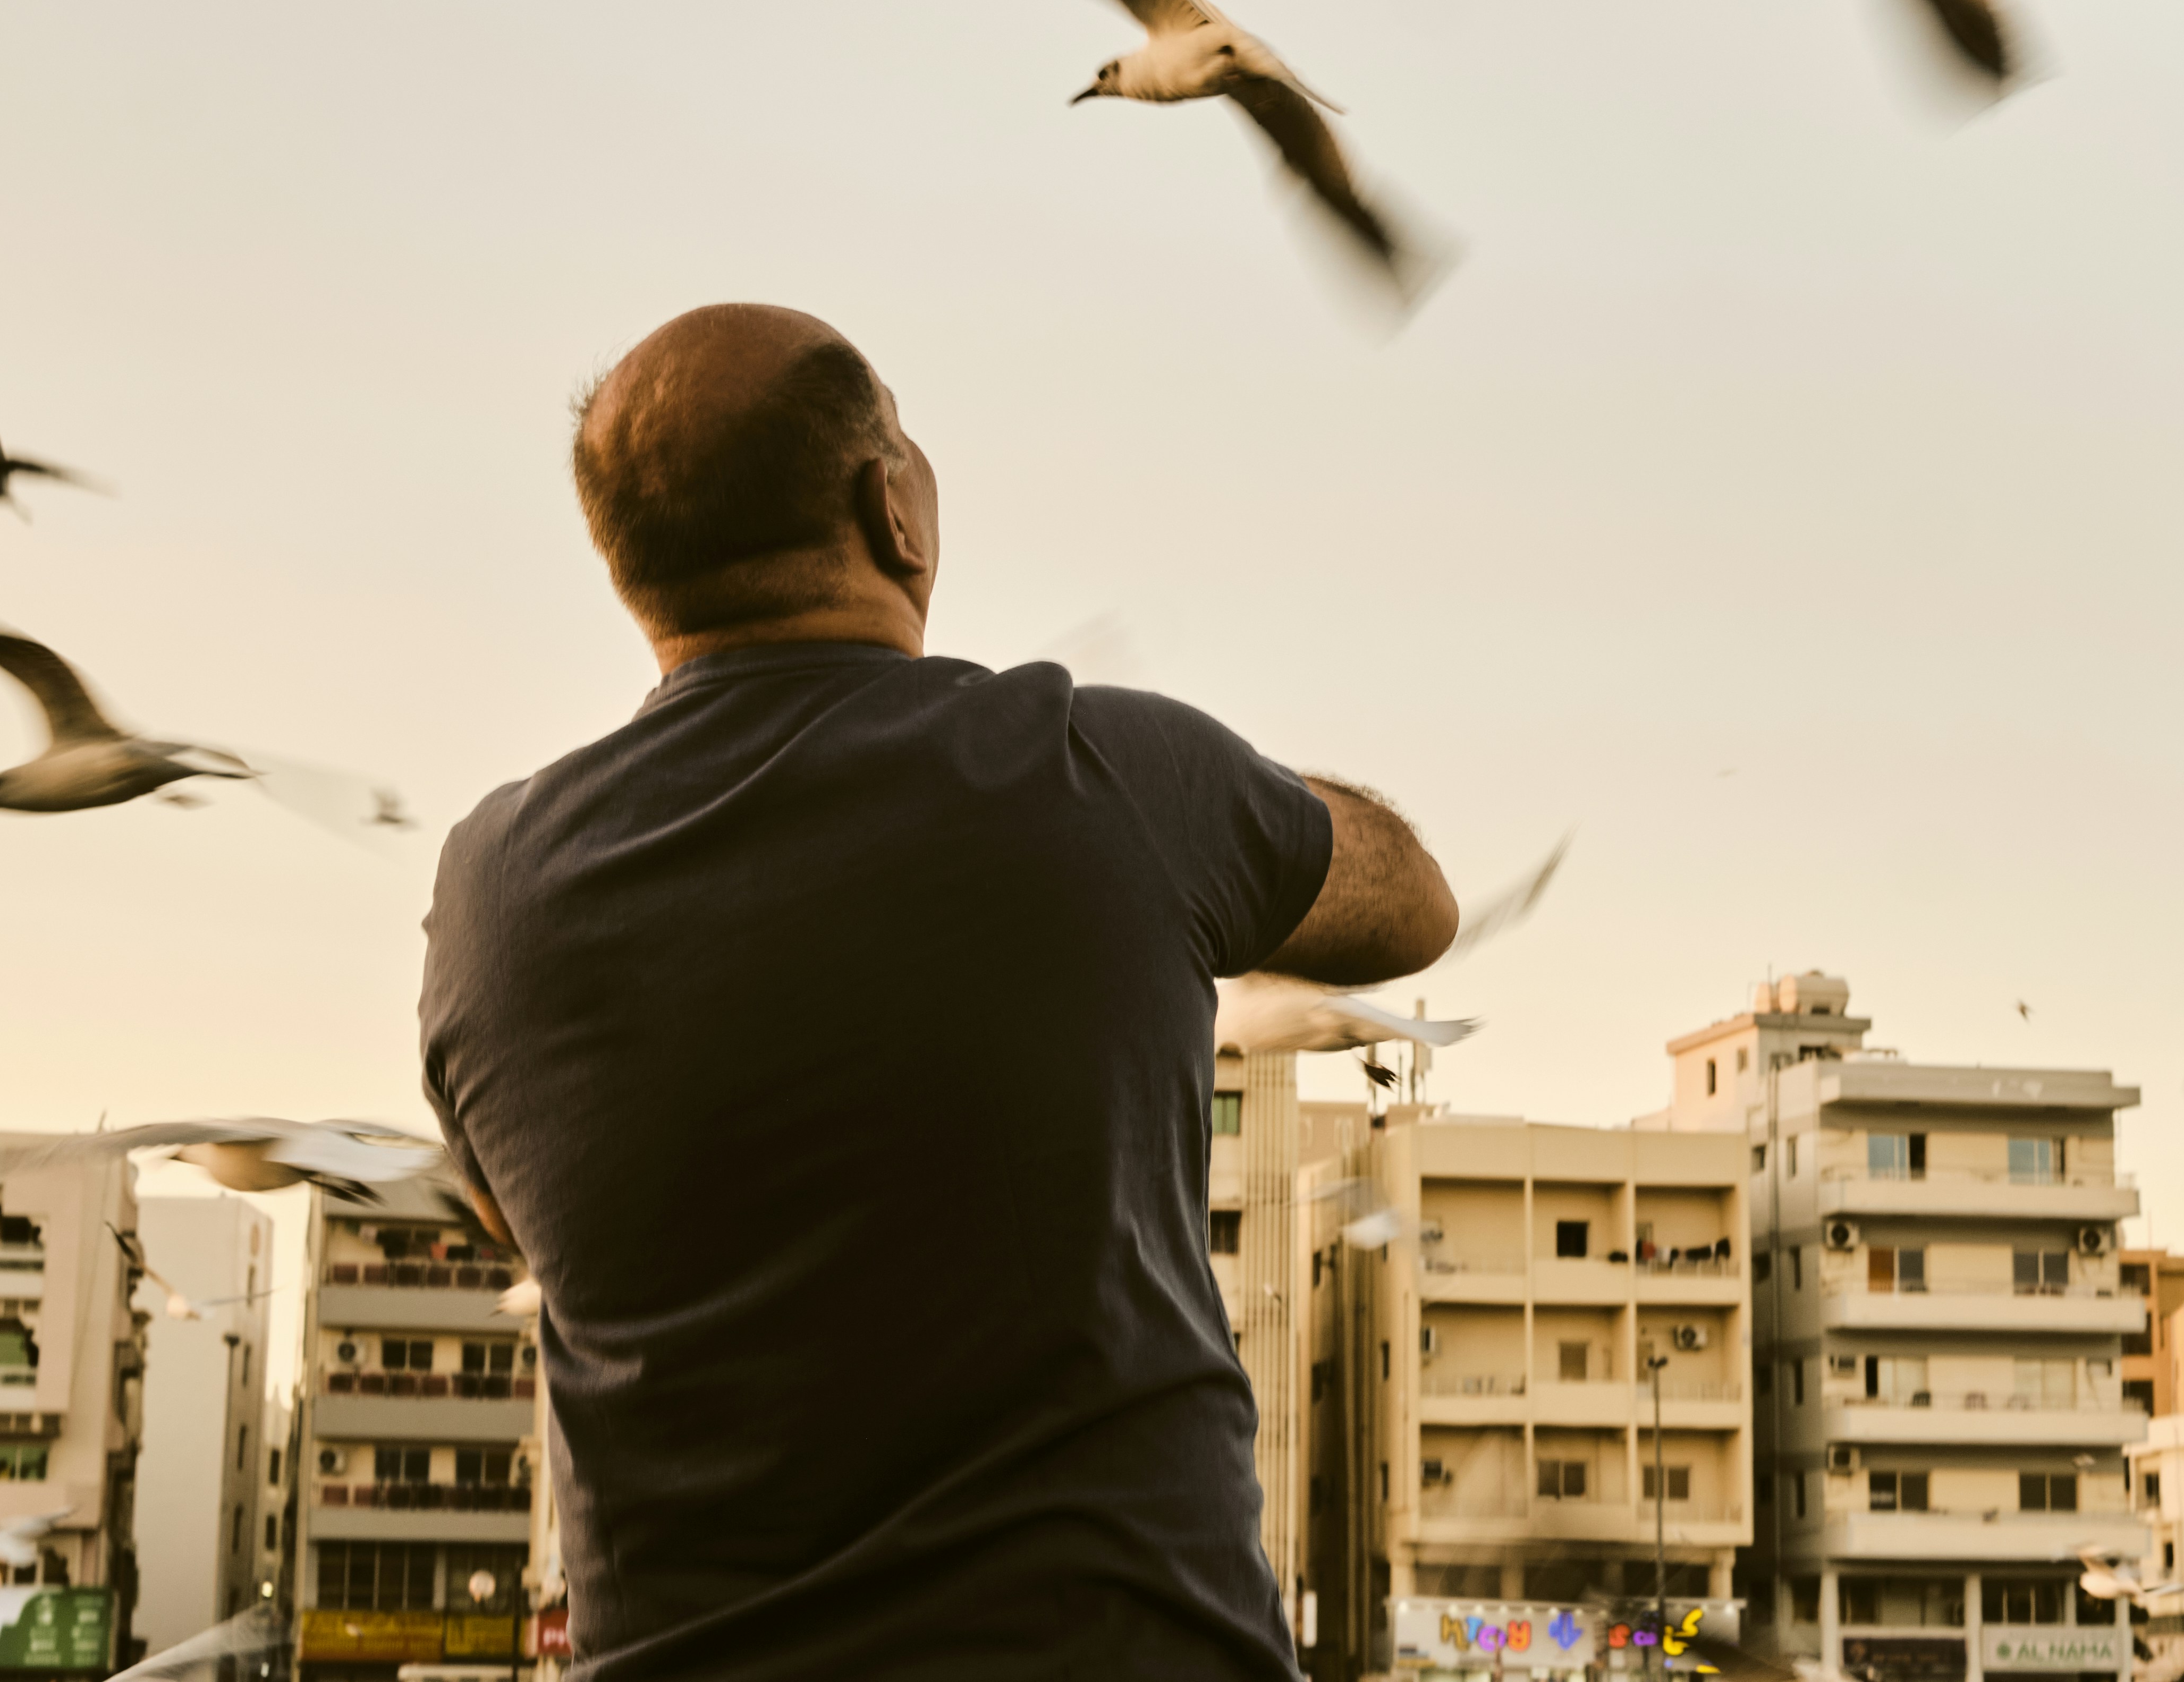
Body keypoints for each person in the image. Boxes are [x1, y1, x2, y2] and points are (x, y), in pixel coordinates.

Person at [419, 303, 1457, 1680]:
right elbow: (1412, 906)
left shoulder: (494, 887)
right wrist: (1224, 813)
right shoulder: (1102, 775)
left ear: (630, 570)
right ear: (890, 506)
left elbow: (505, 1209)